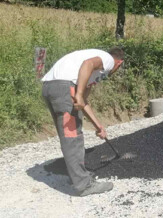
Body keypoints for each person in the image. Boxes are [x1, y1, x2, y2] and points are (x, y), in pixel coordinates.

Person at [41, 47, 124, 196]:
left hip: (50, 87)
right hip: (65, 87)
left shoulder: (89, 72)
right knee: (73, 137)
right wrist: (78, 94)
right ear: (119, 63)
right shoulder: (108, 60)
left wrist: (98, 126)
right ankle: (83, 185)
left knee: (67, 136)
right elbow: (87, 64)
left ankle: (77, 176)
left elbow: (83, 101)